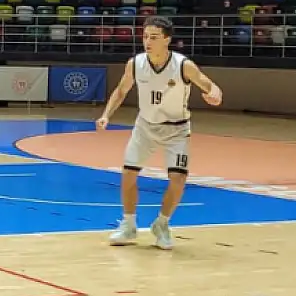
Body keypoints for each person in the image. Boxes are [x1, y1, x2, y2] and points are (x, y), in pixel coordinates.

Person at [95, 16, 224, 250]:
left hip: (177, 129)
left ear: (167, 39)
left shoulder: (183, 65)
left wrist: (214, 94)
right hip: (145, 127)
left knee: (178, 179)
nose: (148, 41)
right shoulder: (135, 63)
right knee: (128, 174)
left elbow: (210, 85)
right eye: (145, 36)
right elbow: (121, 90)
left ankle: (162, 224)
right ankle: (128, 224)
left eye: (154, 37)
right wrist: (106, 114)